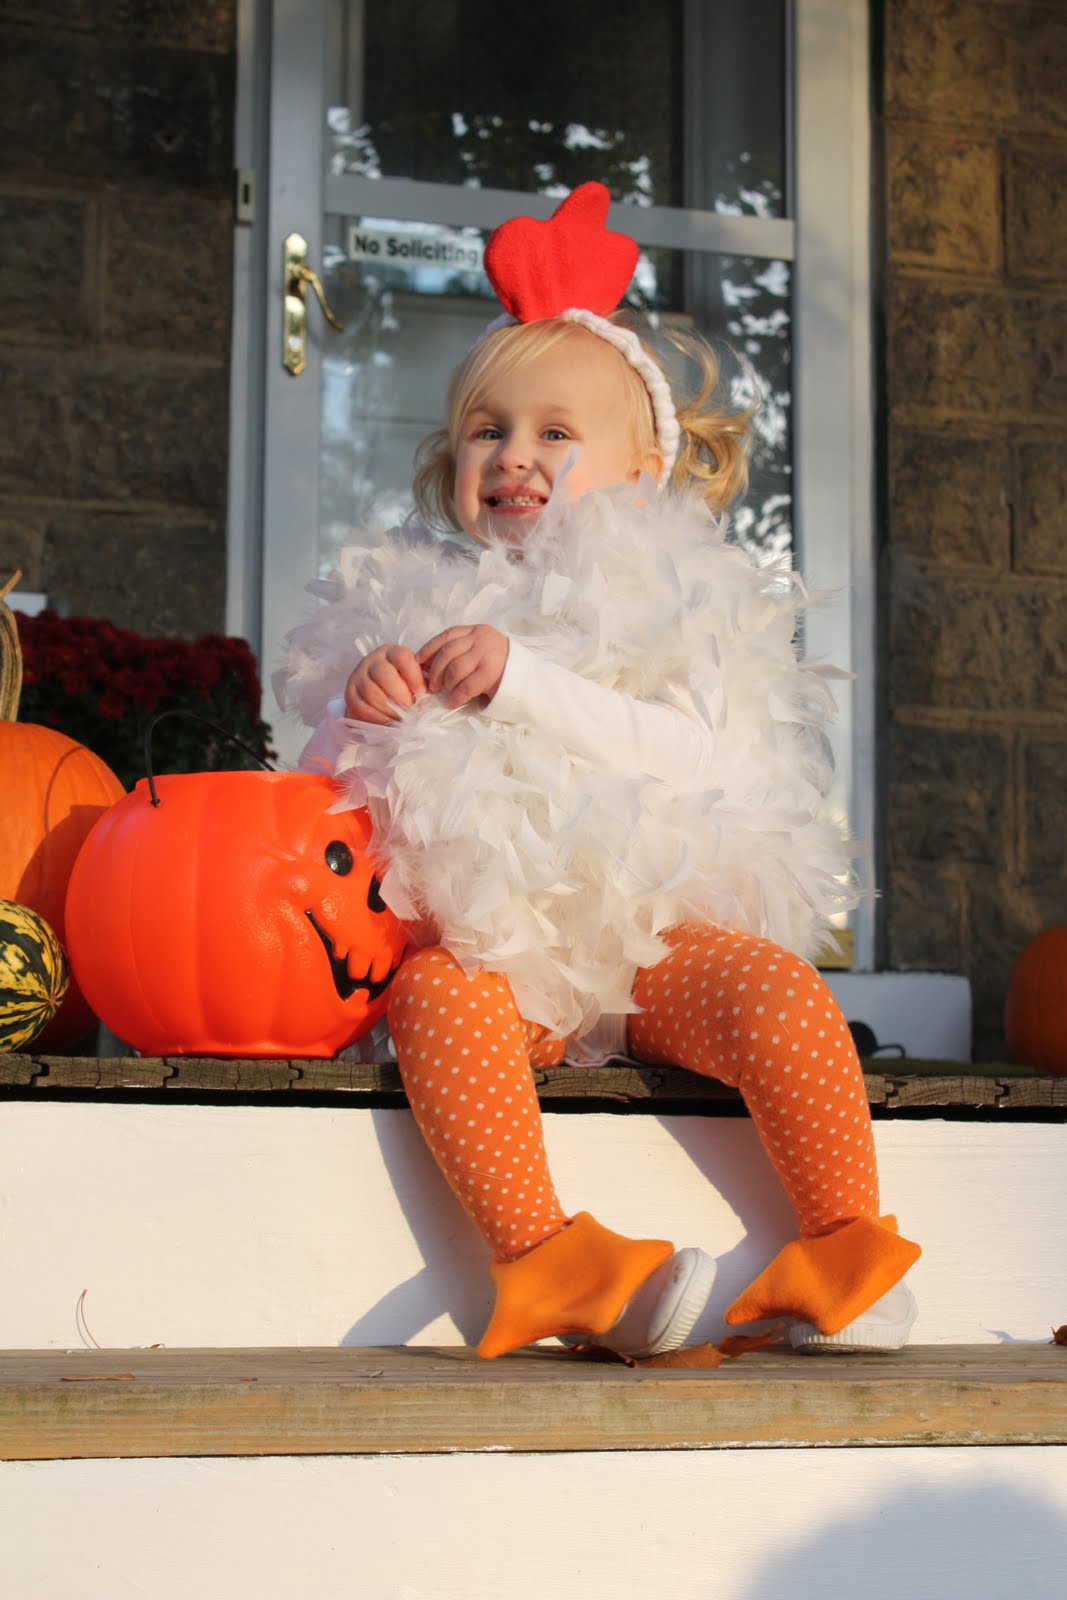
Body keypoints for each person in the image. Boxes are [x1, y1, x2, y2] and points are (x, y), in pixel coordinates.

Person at [279, 183, 920, 1361]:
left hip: (647, 946)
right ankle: (546, 1261)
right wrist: (355, 712)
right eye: (488, 429)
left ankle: (846, 1241)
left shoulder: (679, 604)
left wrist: (519, 676)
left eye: (553, 434)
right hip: (498, 953)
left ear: (641, 475)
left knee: (779, 993)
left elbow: (690, 757)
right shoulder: (418, 604)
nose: (513, 456)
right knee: (431, 1000)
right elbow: (334, 824)